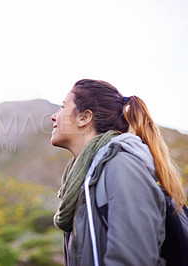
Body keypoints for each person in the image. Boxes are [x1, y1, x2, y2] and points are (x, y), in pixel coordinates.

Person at [50, 79, 186, 266]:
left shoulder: (121, 166)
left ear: (84, 118)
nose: (53, 116)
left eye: (62, 107)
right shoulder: (85, 178)